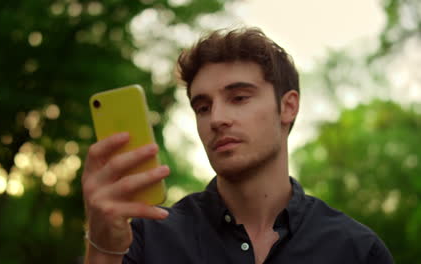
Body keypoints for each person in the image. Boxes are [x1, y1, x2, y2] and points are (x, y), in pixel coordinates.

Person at [82, 27, 393, 264]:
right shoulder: (148, 239)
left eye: (239, 98)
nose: (217, 118)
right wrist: (101, 249)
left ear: (288, 107)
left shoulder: (356, 249)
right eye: (202, 107)